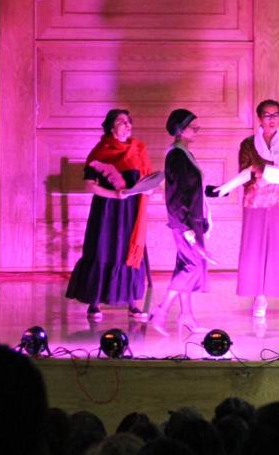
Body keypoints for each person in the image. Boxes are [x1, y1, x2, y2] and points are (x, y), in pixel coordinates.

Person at [66, 108, 153, 322]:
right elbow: (89, 185)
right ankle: (94, 303)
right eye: (122, 121)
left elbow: (148, 179)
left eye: (129, 121)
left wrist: (149, 189)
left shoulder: (139, 149)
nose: (127, 124)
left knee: (127, 250)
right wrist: (114, 194)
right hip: (106, 210)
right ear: (111, 127)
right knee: (102, 249)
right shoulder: (100, 151)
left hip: (131, 210)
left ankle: (132, 303)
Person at [236, 99, 279, 318]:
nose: (272, 119)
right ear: (259, 118)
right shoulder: (248, 144)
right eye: (267, 115)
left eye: (275, 115)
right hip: (255, 200)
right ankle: (259, 296)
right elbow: (244, 173)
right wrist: (260, 176)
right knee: (256, 248)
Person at [149, 108, 216, 332]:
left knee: (185, 265)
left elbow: (192, 188)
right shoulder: (177, 155)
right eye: (192, 127)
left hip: (191, 218)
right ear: (180, 130)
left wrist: (218, 191)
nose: (197, 130)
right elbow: (176, 194)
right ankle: (161, 311)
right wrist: (186, 227)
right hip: (185, 221)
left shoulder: (184, 153)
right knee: (193, 265)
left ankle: (186, 315)